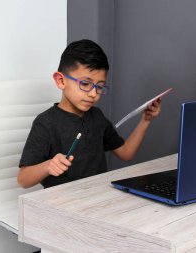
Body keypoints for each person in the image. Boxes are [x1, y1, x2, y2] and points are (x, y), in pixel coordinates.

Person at [17, 39, 162, 188]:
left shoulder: (97, 117)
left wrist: (145, 120)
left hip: (96, 198)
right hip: (62, 205)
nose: (94, 94)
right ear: (61, 80)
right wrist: (48, 165)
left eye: (100, 87)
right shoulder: (45, 123)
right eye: (85, 84)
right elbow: (23, 179)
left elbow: (126, 153)